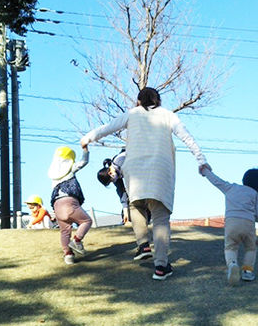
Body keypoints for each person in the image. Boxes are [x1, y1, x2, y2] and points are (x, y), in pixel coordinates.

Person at [81, 87, 208, 280]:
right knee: (160, 218)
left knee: (136, 205)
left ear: (138, 101)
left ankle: (143, 245)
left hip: (134, 171)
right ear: (158, 100)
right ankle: (161, 267)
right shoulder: (167, 115)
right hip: (160, 171)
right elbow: (186, 136)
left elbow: (107, 127)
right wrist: (201, 159)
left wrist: (87, 138)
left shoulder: (132, 114)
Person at [200, 166, 258, 286]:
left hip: (231, 223)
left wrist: (204, 171)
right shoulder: (256, 196)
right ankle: (247, 271)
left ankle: (232, 264)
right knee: (250, 248)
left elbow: (216, 180)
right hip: (248, 224)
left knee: (230, 247)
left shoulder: (231, 188)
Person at [48, 145, 92, 265]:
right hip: (69, 202)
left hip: (57, 206)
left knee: (65, 231)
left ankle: (68, 255)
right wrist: (85, 150)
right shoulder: (70, 168)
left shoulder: (53, 175)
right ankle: (77, 241)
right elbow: (83, 162)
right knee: (86, 221)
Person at [97, 149, 132, 224]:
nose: (113, 182)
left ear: (110, 173)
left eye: (111, 181)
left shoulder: (119, 161)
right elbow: (121, 192)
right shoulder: (115, 177)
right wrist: (125, 212)